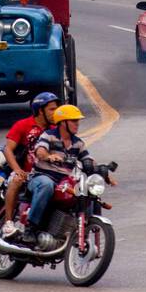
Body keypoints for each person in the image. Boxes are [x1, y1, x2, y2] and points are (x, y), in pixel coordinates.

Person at [21, 103, 90, 247]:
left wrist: (101, 170)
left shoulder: (78, 143)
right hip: (40, 177)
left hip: (64, 182)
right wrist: (49, 156)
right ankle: (30, 228)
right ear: (63, 123)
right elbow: (40, 150)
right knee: (47, 185)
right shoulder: (49, 136)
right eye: (74, 120)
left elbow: (87, 159)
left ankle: (85, 230)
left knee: (87, 192)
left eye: (78, 121)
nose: (77, 124)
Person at [0, 91, 59, 239]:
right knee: (16, 180)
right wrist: (18, 170)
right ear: (40, 111)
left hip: (48, 172)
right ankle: (8, 223)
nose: (55, 112)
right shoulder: (23, 125)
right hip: (27, 173)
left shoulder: (55, 129)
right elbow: (7, 149)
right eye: (51, 109)